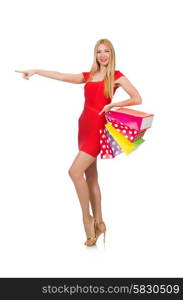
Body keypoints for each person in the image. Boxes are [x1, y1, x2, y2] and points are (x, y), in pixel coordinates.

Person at [15, 38, 142, 247]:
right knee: (90, 176)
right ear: (95, 55)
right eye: (99, 51)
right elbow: (60, 75)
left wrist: (113, 105)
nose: (102, 55)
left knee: (74, 172)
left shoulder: (117, 76)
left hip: (98, 129)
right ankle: (100, 222)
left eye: (106, 51)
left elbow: (137, 98)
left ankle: (88, 219)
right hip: (83, 127)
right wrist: (36, 70)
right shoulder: (89, 75)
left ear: (112, 54)